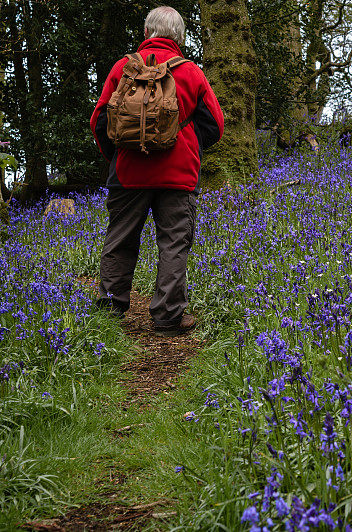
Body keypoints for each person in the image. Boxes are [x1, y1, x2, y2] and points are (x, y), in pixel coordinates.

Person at [90, 6, 224, 337]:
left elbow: (100, 120)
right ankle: (167, 317)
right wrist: (188, 144)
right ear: (178, 35)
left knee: (120, 239)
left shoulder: (124, 67)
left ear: (148, 31)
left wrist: (119, 155)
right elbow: (215, 125)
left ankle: (109, 310)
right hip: (178, 175)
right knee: (173, 243)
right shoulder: (191, 72)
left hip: (127, 173)